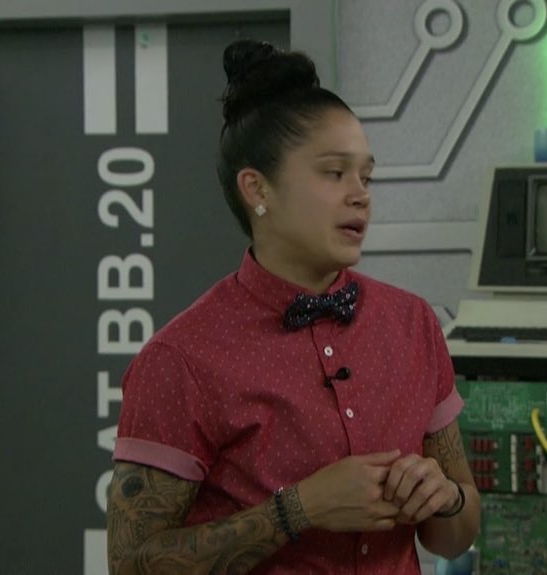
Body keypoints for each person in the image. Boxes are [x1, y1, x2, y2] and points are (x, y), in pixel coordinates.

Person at [106, 39, 480, 574]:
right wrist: (299, 510)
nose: (361, 195)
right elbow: (131, 564)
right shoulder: (182, 359)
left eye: (366, 176)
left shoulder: (413, 323)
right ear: (258, 189)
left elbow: (455, 536)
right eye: (334, 173)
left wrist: (445, 498)